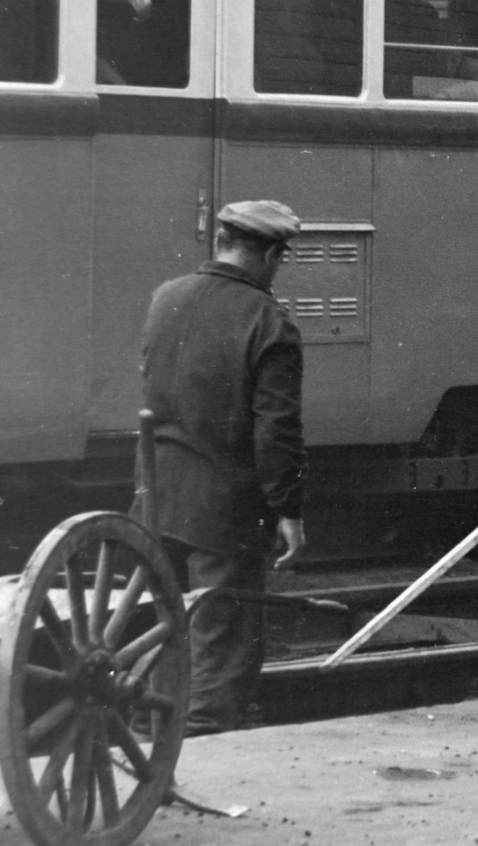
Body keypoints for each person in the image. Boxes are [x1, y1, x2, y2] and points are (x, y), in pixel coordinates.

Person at [136, 200, 307, 735]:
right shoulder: (269, 320)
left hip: (156, 495)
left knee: (163, 623)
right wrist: (288, 510)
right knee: (221, 635)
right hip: (224, 507)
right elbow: (275, 431)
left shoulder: (166, 297)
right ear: (273, 254)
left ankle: (152, 732)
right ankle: (206, 739)